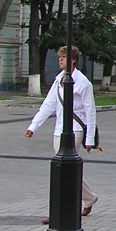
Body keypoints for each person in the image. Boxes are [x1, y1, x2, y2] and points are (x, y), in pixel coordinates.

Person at [25, 45, 101, 221]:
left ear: (73, 60)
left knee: (64, 171)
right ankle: (89, 198)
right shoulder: (59, 79)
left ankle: (60, 212)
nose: (60, 59)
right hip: (59, 130)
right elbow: (48, 104)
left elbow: (90, 111)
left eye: (63, 57)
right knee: (68, 169)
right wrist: (33, 126)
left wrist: (90, 139)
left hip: (75, 130)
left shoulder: (83, 83)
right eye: (59, 57)